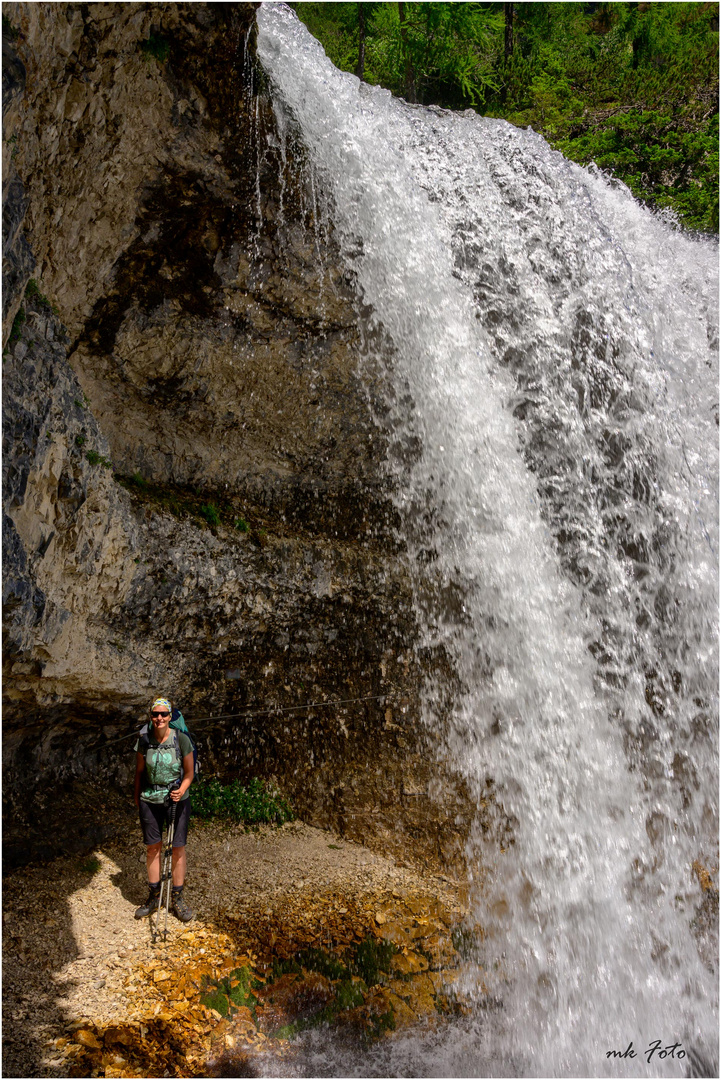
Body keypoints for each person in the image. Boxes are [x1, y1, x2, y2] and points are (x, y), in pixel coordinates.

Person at [134, 697, 194, 922]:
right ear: (151, 716)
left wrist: (182, 789)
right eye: (155, 714)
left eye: (163, 714)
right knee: (153, 848)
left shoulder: (182, 740)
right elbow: (139, 773)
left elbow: (189, 773)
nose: (159, 718)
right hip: (149, 799)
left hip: (177, 799)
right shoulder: (144, 741)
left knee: (177, 848)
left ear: (170, 717)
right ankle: (154, 896)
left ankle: (177, 898)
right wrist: (137, 798)